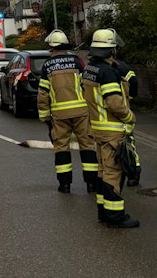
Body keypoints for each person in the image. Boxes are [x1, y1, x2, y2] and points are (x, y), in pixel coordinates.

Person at [82, 29, 139, 228]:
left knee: (103, 171)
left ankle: (103, 211)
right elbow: (114, 102)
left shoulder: (90, 69)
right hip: (111, 128)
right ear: (111, 49)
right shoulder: (107, 72)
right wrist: (130, 117)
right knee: (114, 172)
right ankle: (115, 216)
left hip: (97, 128)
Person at [37, 29, 97, 194]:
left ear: (52, 47)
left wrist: (45, 117)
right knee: (87, 145)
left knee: (61, 148)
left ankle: (65, 185)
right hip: (81, 112)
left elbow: (43, 94)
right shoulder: (77, 61)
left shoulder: (47, 66)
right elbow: (87, 84)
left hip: (59, 115)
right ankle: (91, 184)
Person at [114, 49, 142, 186]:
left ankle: (132, 171)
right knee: (129, 142)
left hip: (110, 113)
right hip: (124, 109)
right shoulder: (123, 67)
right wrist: (129, 99)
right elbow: (134, 82)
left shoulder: (99, 68)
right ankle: (134, 172)